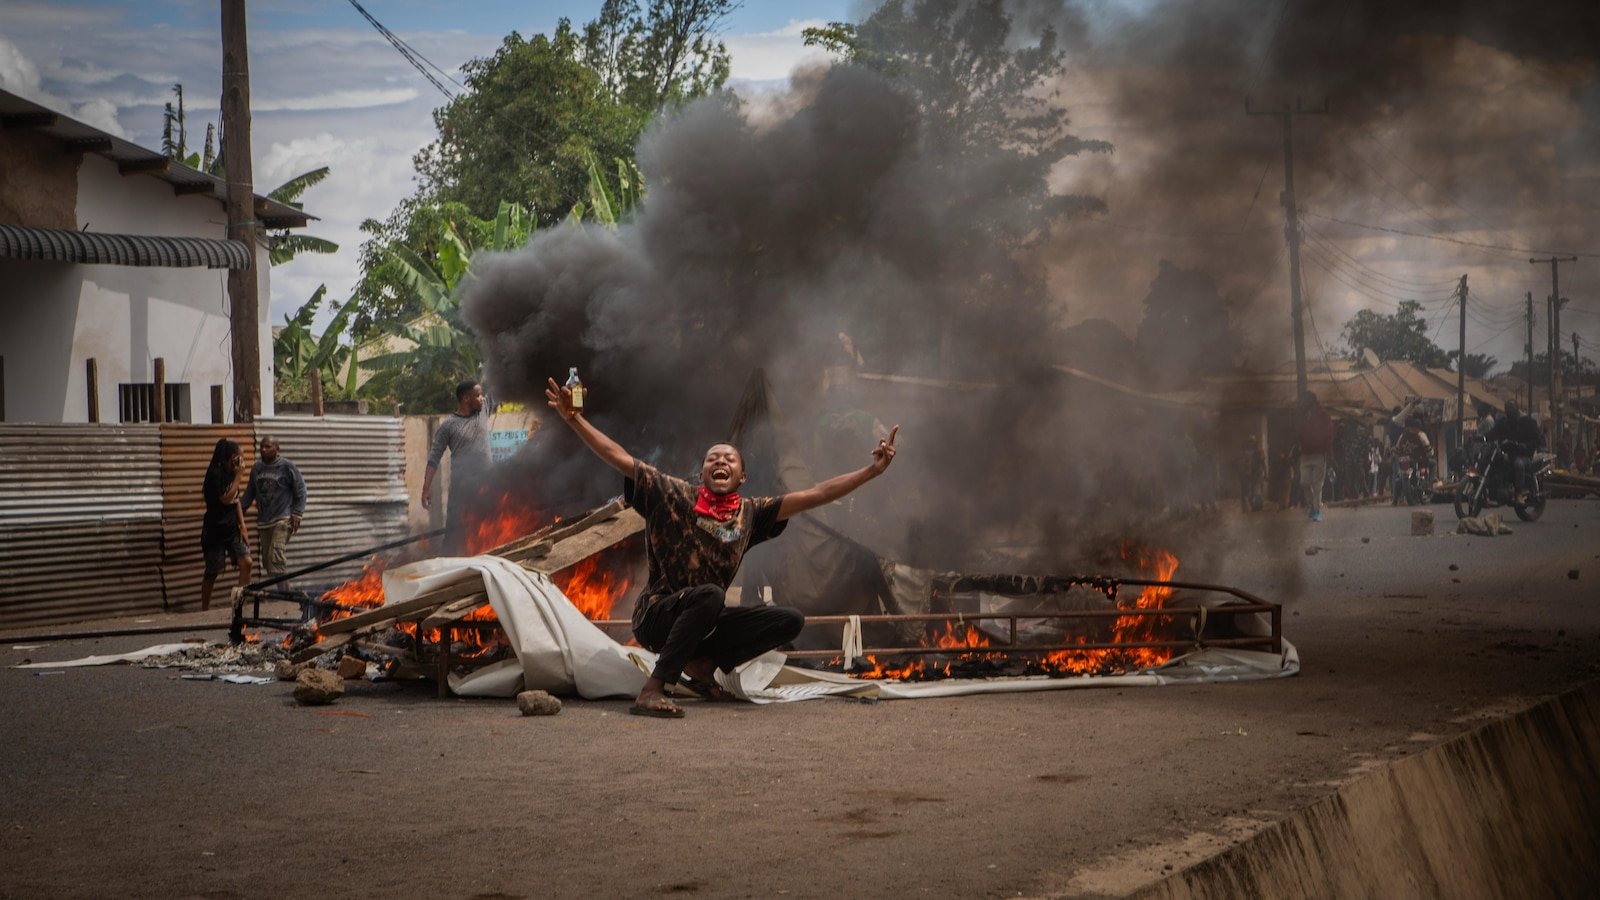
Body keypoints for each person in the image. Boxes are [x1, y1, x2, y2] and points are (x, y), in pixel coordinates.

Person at [545, 375, 899, 719]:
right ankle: (653, 689)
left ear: (741, 477)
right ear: (701, 474)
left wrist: (872, 472)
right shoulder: (673, 495)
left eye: (729, 459)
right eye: (713, 459)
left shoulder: (751, 513)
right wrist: (574, 419)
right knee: (710, 594)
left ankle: (704, 664)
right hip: (657, 617)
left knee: (789, 620)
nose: (720, 462)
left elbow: (817, 494)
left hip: (706, 619)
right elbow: (618, 456)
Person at [422, 379, 492, 531]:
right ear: (466, 398)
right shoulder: (448, 426)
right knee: (456, 533)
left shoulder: (484, 409)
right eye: (478, 395)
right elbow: (433, 459)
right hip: (462, 490)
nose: (483, 398)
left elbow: (501, 384)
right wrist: (426, 488)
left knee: (489, 529)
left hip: (487, 484)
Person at [241, 435, 307, 587]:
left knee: (275, 557)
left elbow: (301, 490)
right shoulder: (257, 468)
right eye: (262, 446)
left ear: (277, 449)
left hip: (283, 519)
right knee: (268, 563)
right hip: (264, 522)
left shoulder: (287, 467)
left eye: (268, 447)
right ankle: (286, 590)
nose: (263, 449)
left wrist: (297, 513)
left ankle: (285, 595)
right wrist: (238, 514)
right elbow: (249, 493)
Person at [199, 438, 252, 612]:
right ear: (230, 457)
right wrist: (239, 476)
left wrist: (242, 526)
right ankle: (204, 609)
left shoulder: (232, 472)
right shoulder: (215, 474)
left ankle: (239, 605)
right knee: (213, 571)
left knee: (246, 562)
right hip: (215, 530)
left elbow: (235, 500)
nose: (241, 462)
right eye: (239, 458)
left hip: (231, 528)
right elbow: (225, 498)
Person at [1486, 399, 1543, 503]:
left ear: (1516, 408)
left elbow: (1536, 440)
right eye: (1506, 408)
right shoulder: (1504, 423)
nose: (1508, 411)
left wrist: (1525, 446)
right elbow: (1492, 433)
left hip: (1524, 456)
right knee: (1495, 460)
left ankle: (1518, 494)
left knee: (1518, 464)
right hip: (1509, 455)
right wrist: (1481, 438)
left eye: (1510, 408)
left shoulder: (1528, 422)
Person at [1295, 391, 1334, 521]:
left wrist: (1328, 453)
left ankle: (1316, 511)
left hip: (1319, 455)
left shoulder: (1324, 416)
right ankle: (1313, 505)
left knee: (1317, 485)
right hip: (1305, 455)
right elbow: (1298, 433)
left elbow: (1328, 435)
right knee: (1304, 483)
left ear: (1310, 401)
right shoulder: (1301, 415)